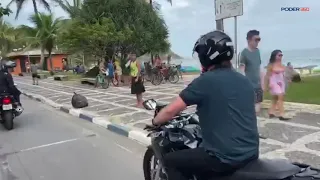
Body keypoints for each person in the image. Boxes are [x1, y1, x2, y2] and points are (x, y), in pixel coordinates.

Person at [151, 31, 259, 180]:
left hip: (224, 158)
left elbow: (170, 110)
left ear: (208, 56)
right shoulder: (244, 81)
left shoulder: (205, 81)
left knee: (170, 161)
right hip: (251, 153)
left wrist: (155, 121)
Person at [240, 30, 263, 113]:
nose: (257, 42)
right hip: (249, 85)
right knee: (250, 107)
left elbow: (259, 67)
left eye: (259, 39)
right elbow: (242, 70)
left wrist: (262, 82)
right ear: (249, 40)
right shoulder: (244, 53)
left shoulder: (257, 51)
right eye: (255, 39)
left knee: (258, 106)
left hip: (258, 84)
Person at [264, 50, 290, 120]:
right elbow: (267, 76)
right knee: (280, 97)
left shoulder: (282, 65)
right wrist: (266, 86)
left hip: (281, 83)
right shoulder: (271, 65)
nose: (280, 57)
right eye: (279, 55)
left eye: (281, 55)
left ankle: (271, 112)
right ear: (274, 56)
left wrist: (288, 79)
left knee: (275, 98)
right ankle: (282, 114)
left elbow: (283, 74)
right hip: (274, 83)